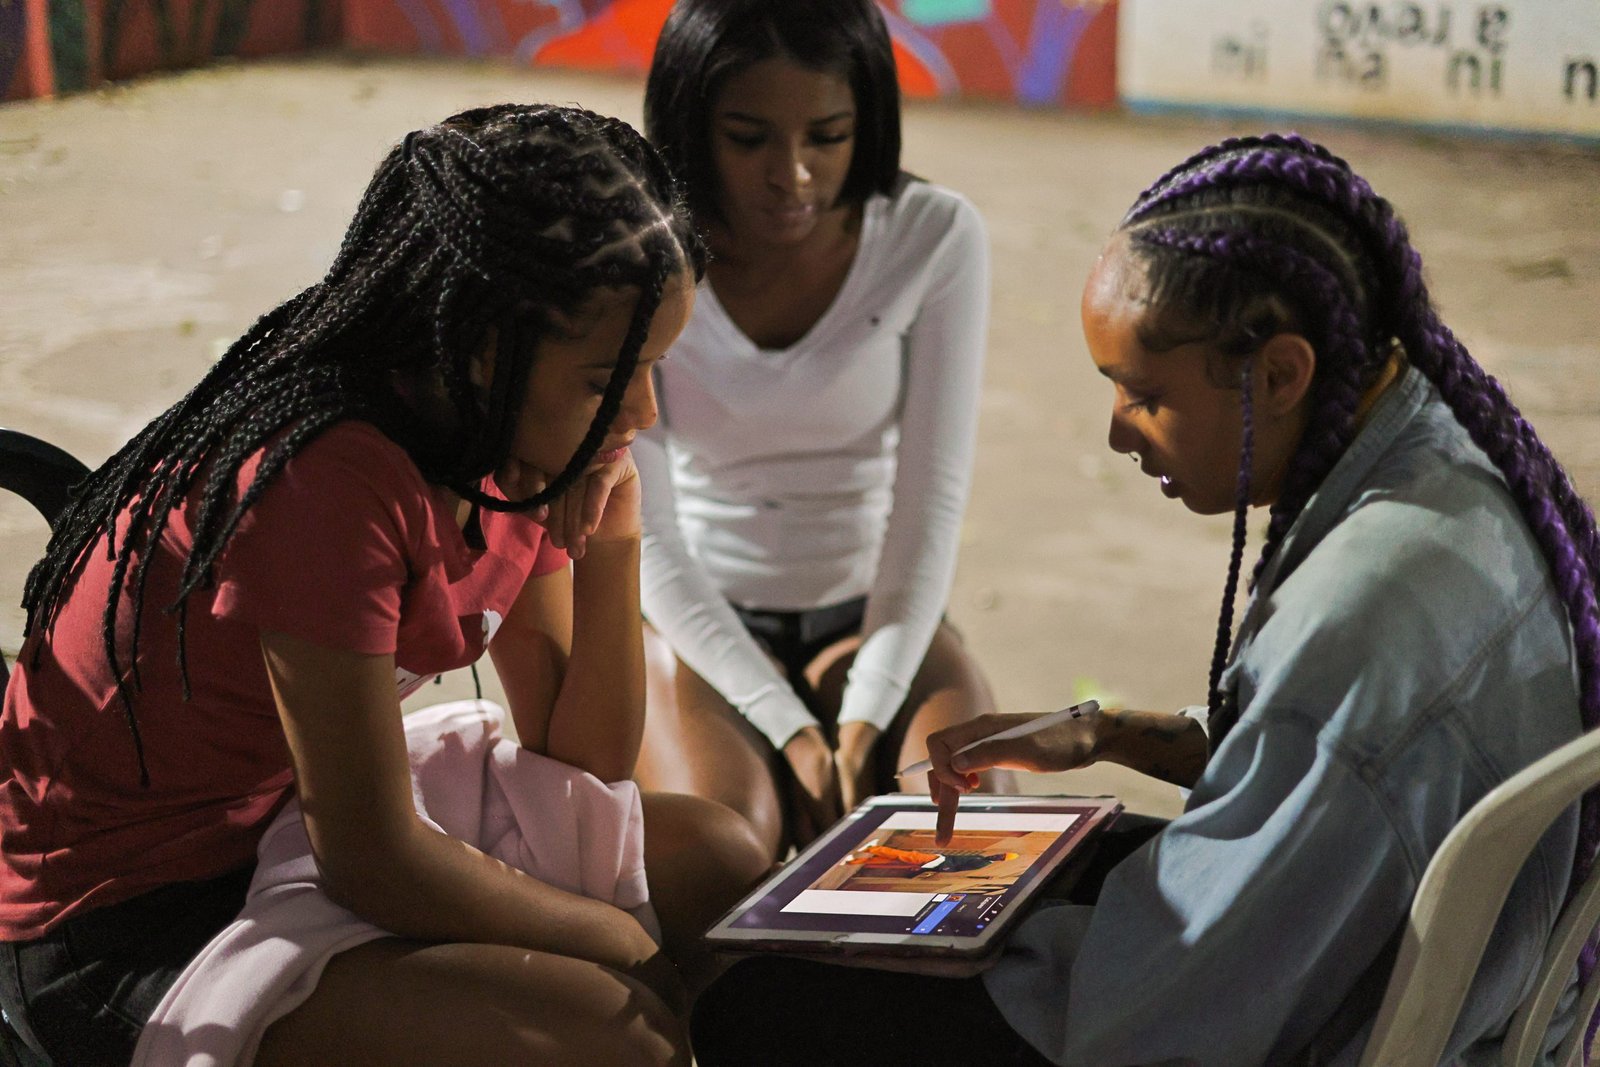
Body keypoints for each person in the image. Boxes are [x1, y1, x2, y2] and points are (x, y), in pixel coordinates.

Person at [688, 133, 1600, 1066]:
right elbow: (1309, 759)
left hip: (1300, 1012)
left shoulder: (1361, 612)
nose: (1117, 433)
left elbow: (1167, 1014)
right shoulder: (1444, 451)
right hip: (1397, 957)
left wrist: (985, 953)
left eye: (1143, 393)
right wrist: (1104, 729)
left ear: (1281, 374)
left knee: (759, 1002)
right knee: (1044, 868)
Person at [0, 103, 769, 1067]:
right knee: (618, 1036)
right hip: (126, 920)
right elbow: (373, 858)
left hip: (291, 830)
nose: (646, 413)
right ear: (486, 353)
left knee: (728, 871)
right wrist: (618, 943)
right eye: (610, 377)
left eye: (655, 368)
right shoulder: (325, 481)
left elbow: (577, 763)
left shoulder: (509, 442)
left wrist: (616, 536)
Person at [633, 0, 999, 865]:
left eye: (828, 136)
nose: (792, 176)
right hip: (698, 625)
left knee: (967, 838)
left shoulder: (934, 236)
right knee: (721, 857)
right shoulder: (644, 248)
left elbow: (930, 503)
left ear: (868, 119)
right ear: (690, 123)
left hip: (877, 615)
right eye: (749, 138)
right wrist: (791, 728)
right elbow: (649, 536)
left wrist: (868, 704)